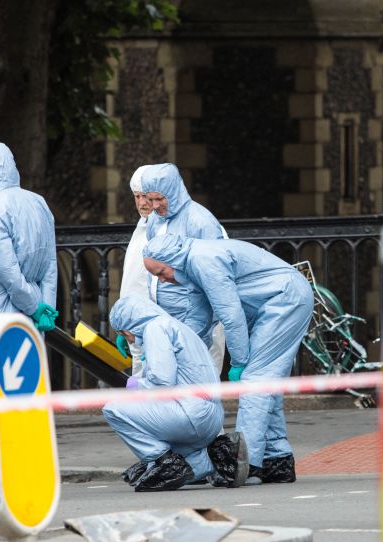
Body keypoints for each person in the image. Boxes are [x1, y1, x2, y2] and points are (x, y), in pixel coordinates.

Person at [143, 234, 314, 485]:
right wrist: (161, 345)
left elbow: (230, 315)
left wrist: (238, 362)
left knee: (255, 381)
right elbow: (198, 319)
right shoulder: (191, 267)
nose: (163, 280)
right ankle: (276, 460)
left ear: (172, 261)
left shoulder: (203, 261)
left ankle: (244, 464)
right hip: (280, 300)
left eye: (161, 272)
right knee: (265, 383)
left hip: (284, 301)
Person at [103, 295, 248, 491]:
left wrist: (136, 385)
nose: (130, 341)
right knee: (183, 465)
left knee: (114, 409)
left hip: (190, 414)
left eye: (125, 335)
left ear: (128, 326)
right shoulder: (176, 327)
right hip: (210, 419)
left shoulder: (155, 328)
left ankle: (163, 462)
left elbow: (162, 382)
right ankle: (220, 458)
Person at [139, 162, 228, 376]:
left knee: (193, 376)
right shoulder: (154, 221)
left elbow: (214, 278)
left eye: (159, 199)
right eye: (150, 199)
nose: (154, 205)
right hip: (164, 315)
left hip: (195, 316)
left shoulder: (200, 221)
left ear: (174, 192)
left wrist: (196, 327)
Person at [0, 140, 58, 332]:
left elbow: (4, 269)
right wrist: (46, 308)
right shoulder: (38, 202)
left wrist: (34, 307)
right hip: (35, 313)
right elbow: (50, 263)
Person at [116, 166, 153, 373]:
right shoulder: (142, 227)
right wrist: (124, 323)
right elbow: (132, 281)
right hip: (137, 328)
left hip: (155, 328)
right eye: (137, 196)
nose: (141, 203)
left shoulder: (174, 228)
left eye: (146, 196)